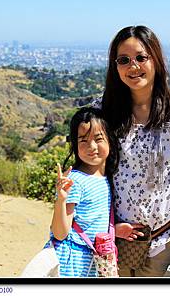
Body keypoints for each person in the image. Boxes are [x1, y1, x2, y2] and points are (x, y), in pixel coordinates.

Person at [94, 25, 170, 277]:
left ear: (156, 59)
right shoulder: (101, 112)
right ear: (115, 66)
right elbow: (90, 171)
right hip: (112, 240)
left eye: (141, 58)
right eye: (124, 60)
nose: (133, 67)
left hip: (165, 241)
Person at [49, 107, 118, 277]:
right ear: (75, 144)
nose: (92, 147)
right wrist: (61, 199)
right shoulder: (75, 180)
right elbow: (59, 233)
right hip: (72, 262)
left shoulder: (107, 178)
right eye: (83, 141)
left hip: (93, 262)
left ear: (110, 139)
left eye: (98, 139)